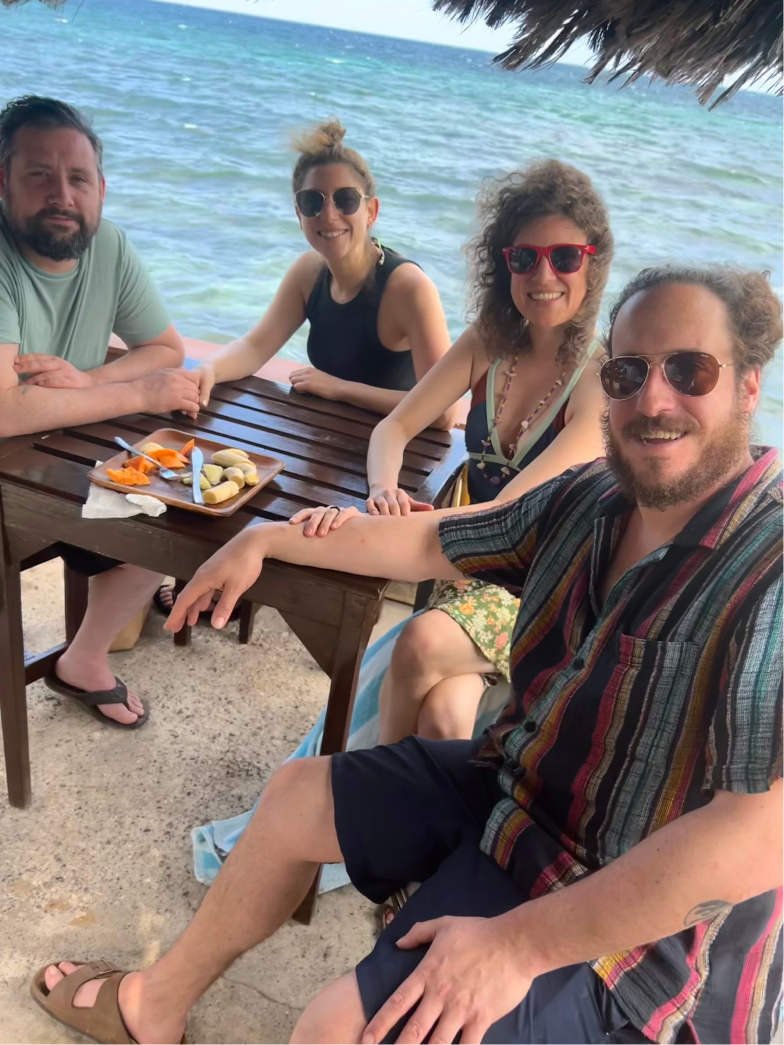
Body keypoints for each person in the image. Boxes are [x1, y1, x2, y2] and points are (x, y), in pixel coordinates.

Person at [33, 264, 782, 1045]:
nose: (653, 400)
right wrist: (265, 537)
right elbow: (432, 539)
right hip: (522, 798)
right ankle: (153, 1007)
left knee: (334, 1027)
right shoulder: (590, 500)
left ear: (750, 386)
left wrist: (518, 945)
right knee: (295, 798)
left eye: (690, 370)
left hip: (642, 937)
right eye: (627, 373)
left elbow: (757, 837)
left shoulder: (771, 559)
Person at [294, 160, 612, 744]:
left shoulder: (598, 378)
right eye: (524, 257)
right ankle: (421, 811)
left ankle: (371, 790)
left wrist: (396, 529)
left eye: (565, 256)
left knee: (418, 646)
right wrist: (383, 491)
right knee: (442, 717)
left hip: (544, 586)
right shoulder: (487, 343)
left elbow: (506, 517)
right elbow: (394, 428)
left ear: (593, 262)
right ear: (503, 263)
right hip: (468, 570)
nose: (544, 274)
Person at [0, 95, 200, 727]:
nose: (62, 194)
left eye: (78, 178)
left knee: (179, 515)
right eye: (39, 174)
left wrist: (85, 381)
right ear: (2, 182)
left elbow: (166, 347)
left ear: (102, 190)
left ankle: (82, 660)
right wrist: (137, 395)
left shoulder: (107, 247)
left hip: (59, 464)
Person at [188, 117, 453, 418]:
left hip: (405, 456)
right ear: (298, 213)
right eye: (313, 201)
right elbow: (254, 348)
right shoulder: (308, 273)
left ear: (371, 211)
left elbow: (443, 412)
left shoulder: (410, 288)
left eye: (346, 200)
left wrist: (340, 389)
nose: (329, 215)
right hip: (326, 444)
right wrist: (208, 370)